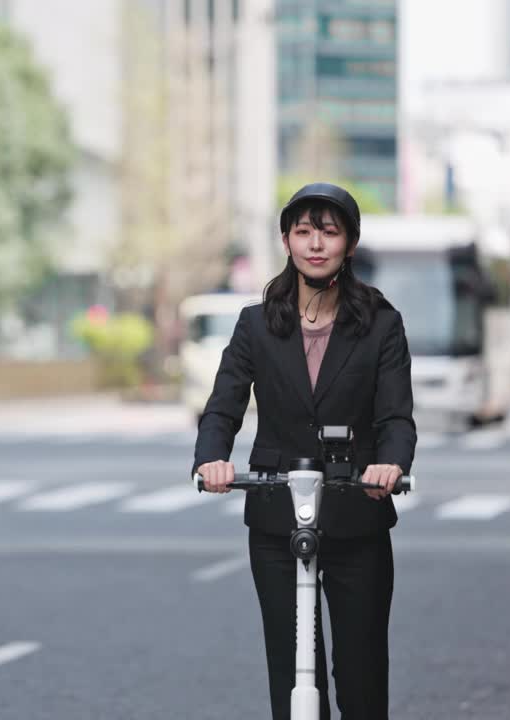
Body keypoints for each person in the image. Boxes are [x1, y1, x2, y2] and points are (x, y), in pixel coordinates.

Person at [192, 182, 417, 720]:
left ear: (350, 243)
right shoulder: (255, 323)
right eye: (303, 231)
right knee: (293, 671)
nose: (316, 243)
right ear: (287, 241)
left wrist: (391, 464)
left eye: (330, 232)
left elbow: (395, 418)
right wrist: (211, 458)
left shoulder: (381, 324)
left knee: (361, 675)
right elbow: (223, 407)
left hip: (356, 512)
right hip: (276, 520)